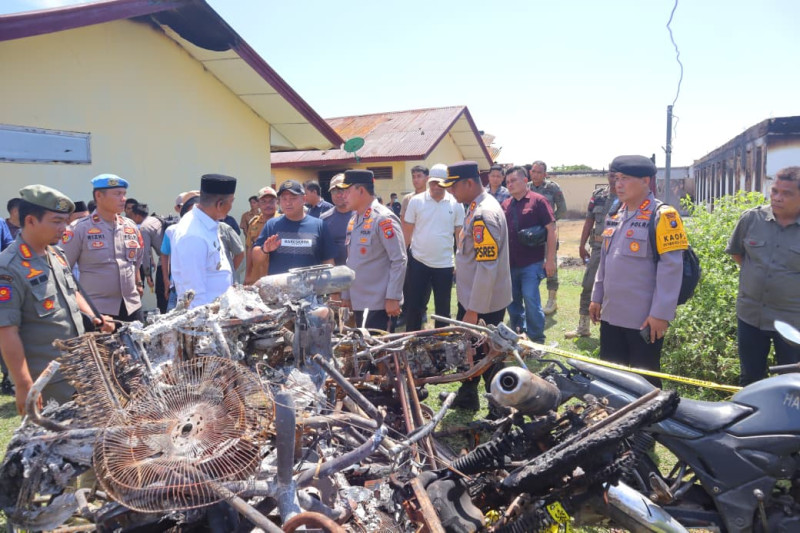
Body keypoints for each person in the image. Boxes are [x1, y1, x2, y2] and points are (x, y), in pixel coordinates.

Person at [0, 185, 114, 414]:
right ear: (30, 221)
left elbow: (72, 292)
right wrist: (23, 384)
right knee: (53, 434)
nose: (64, 228)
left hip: (80, 368)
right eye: (56, 221)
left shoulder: (56, 254)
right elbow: (6, 330)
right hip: (47, 380)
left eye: (65, 221)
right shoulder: (8, 268)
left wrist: (94, 316)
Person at [589, 155, 687, 386]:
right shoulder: (616, 213)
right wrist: (596, 296)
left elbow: (672, 269)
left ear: (645, 181)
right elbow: (605, 259)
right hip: (611, 314)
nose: (618, 184)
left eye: (625, 178)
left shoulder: (663, 215)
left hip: (644, 320)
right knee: (612, 378)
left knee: (645, 382)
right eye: (616, 178)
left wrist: (661, 314)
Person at [440, 161, 512, 410]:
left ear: (469, 183)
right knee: (471, 349)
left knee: (487, 354)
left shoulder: (483, 213)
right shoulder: (475, 207)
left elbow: (487, 267)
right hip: (473, 296)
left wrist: (474, 310)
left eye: (453, 186)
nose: (451, 192)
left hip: (482, 301)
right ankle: (468, 394)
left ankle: (500, 407)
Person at [726, 166, 800, 385]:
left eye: (786, 194)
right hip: (751, 316)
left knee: (792, 381)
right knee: (750, 378)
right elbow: (738, 254)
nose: (777, 197)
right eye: (775, 191)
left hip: (793, 322)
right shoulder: (751, 219)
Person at [61, 174, 145, 322]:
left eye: (124, 194)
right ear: (99, 196)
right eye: (117, 194)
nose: (123, 199)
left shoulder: (130, 226)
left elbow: (137, 261)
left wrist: (138, 283)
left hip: (132, 306)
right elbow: (62, 269)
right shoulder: (79, 229)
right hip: (98, 311)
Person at [340, 170, 407, 331]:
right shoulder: (354, 219)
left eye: (347, 191)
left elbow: (399, 259)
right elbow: (351, 261)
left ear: (361, 190)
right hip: (359, 302)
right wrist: (346, 295)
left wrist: (393, 297)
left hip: (380, 304)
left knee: (380, 347)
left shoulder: (383, 218)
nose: (343, 196)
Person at [402, 167, 464, 331]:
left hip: (444, 264)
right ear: (429, 181)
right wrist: (404, 257)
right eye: (433, 183)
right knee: (415, 305)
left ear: (447, 184)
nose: (436, 187)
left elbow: (459, 234)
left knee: (443, 308)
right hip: (418, 261)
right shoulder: (416, 201)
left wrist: (459, 261)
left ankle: (442, 341)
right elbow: (407, 230)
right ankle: (411, 339)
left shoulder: (456, 203)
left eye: (440, 183)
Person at [501, 166, 556, 343]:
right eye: (507, 182)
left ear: (525, 181)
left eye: (513, 180)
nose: (510, 184)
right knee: (513, 302)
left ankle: (537, 339)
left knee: (531, 299)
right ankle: (519, 335)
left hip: (532, 262)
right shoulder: (506, 205)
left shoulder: (538, 201)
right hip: (510, 263)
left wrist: (550, 260)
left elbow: (551, 230)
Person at [566, 169, 619, 338]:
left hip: (618, 251)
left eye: (617, 175)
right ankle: (583, 327)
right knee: (588, 285)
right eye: (611, 174)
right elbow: (589, 220)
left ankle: (612, 329)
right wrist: (582, 245)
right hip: (597, 249)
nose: (613, 178)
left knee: (615, 289)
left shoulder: (627, 197)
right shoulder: (598, 195)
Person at [170, 175, 237, 309]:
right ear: (220, 204)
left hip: (218, 312)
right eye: (231, 201)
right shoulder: (193, 235)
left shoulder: (207, 223)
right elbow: (194, 296)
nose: (231, 206)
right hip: (205, 318)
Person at [252, 180, 336, 275]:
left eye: (293, 198)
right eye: (284, 199)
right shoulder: (271, 225)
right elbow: (256, 259)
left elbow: (329, 262)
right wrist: (265, 250)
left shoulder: (319, 225)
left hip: (311, 284)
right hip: (279, 284)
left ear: (304, 199)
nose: (288, 203)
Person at [529, 160, 566, 315]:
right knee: (529, 265)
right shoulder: (526, 188)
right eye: (533, 171)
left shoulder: (553, 188)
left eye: (539, 172)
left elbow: (562, 209)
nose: (536, 175)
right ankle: (532, 299)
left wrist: (549, 221)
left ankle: (552, 299)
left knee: (550, 264)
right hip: (530, 234)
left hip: (547, 233)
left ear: (545, 174)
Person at [244, 186, 277, 284]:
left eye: (271, 201)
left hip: (276, 274)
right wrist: (248, 274)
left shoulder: (283, 221)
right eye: (263, 202)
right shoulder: (253, 223)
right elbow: (249, 249)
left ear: (277, 202)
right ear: (258, 204)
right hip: (257, 274)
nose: (268, 205)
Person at [320, 174, 352, 266]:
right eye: (334, 191)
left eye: (341, 190)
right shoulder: (324, 219)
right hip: (335, 271)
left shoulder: (361, 216)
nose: (338, 195)